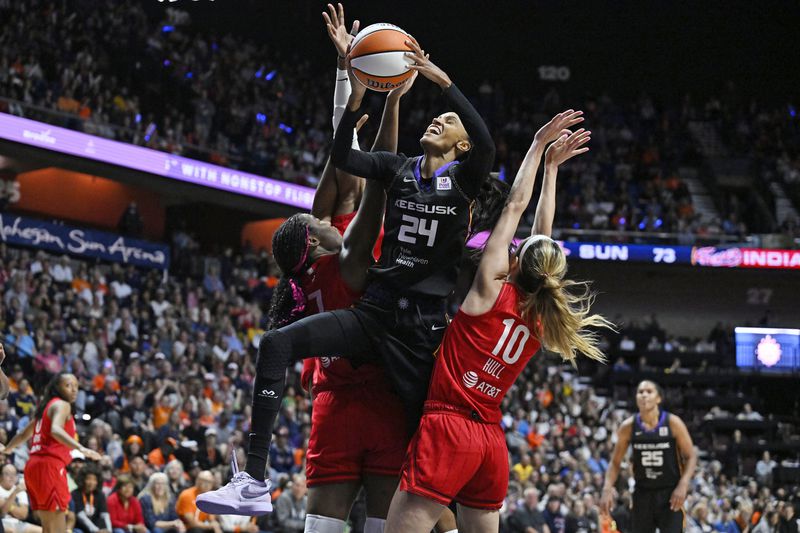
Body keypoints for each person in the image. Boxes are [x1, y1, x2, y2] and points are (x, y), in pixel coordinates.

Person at [197, 16, 498, 516]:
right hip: (377, 312)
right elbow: (344, 155)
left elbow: (485, 145)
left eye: (446, 124)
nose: (437, 122)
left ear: (459, 149)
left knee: (441, 445)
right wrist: (358, 93)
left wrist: (441, 85)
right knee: (275, 343)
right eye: (437, 118)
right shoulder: (394, 173)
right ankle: (252, 478)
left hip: (422, 330)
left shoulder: (464, 181)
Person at [384, 113, 608, 532]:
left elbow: (514, 207)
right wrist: (553, 172)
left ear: (517, 262)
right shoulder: (541, 314)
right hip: (490, 440)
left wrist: (539, 146)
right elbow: (543, 237)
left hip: (449, 425)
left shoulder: (491, 290)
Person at [1, 373, 102, 533]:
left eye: (76, 386)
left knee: (48, 528)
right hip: (50, 467)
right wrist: (81, 448)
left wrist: (6, 449)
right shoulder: (62, 405)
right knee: (58, 529)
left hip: (33, 467)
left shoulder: (44, 409)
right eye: (68, 385)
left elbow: (22, 436)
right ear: (57, 388)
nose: (74, 390)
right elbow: (56, 430)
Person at [600, 380, 698, 533]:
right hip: (642, 493)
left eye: (649, 391)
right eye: (640, 392)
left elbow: (691, 456)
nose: (644, 395)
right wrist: (607, 488)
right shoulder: (628, 426)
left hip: (670, 494)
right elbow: (615, 462)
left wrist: (683, 484)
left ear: (658, 398)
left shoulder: (673, 423)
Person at [0, 464, 41, 533]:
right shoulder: (17, 490)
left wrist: (8, 505)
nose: (11, 477)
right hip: (3, 522)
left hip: (18, 523)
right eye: (7, 473)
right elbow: (3, 512)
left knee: (43, 530)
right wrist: (14, 493)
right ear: (0, 476)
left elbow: (23, 515)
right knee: (11, 531)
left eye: (14, 474)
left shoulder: (20, 490)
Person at [71, 465, 112, 533]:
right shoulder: (75, 494)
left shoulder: (100, 495)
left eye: (94, 479)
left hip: (97, 527)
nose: (91, 482)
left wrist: (109, 530)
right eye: (88, 479)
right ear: (83, 479)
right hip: (80, 528)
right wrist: (96, 530)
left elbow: (105, 514)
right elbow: (80, 515)